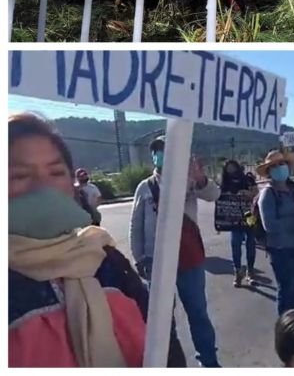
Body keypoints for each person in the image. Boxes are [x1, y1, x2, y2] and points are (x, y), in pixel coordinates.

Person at [8, 113, 185, 367]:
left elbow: (166, 350)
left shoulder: (105, 260)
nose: (43, 187)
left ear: (72, 185)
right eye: (19, 175)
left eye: (56, 172)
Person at [130, 136, 221, 367]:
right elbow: (136, 225)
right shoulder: (145, 187)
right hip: (156, 263)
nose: (160, 154)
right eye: (156, 151)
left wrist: (200, 178)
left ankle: (209, 362)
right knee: (162, 321)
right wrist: (139, 258)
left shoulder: (189, 181)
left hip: (189, 260)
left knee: (198, 314)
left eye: (165, 150)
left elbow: (213, 195)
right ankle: (171, 363)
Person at [256, 150, 294, 316]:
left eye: (281, 164)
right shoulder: (267, 194)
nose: (279, 168)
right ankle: (285, 326)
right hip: (281, 249)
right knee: (286, 289)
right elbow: (270, 226)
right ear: (269, 172)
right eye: (273, 166)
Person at [219, 159, 258, 287]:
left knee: (250, 242)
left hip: (249, 214)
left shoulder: (247, 179)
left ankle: (250, 271)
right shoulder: (225, 182)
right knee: (235, 243)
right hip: (233, 216)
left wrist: (247, 193)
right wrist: (220, 222)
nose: (231, 171)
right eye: (228, 169)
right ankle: (237, 272)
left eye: (233, 168)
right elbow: (220, 201)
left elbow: (255, 193)